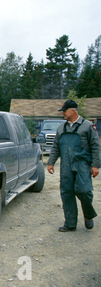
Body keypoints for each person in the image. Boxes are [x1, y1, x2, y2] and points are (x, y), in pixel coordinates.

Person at [47, 99, 101, 232]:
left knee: (84, 190)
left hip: (82, 164)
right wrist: (51, 162)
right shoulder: (61, 128)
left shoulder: (88, 126)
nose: (63, 114)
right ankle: (70, 223)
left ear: (73, 111)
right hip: (66, 165)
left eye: (64, 111)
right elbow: (55, 147)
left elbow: (95, 146)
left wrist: (95, 165)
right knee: (66, 192)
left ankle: (88, 215)